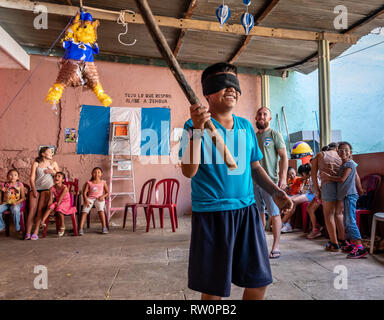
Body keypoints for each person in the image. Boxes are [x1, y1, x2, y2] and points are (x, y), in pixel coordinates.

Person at [179, 62, 293, 300]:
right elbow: (189, 171)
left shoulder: (245, 127)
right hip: (212, 214)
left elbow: (254, 166)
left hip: (247, 211)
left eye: (234, 84)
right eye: (223, 84)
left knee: (258, 282)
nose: (231, 89)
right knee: (213, 290)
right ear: (207, 93)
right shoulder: (192, 126)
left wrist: (275, 192)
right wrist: (199, 130)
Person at [253, 107, 289, 259]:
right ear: (255, 117)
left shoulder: (275, 135)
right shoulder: (253, 136)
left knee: (274, 213)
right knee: (259, 213)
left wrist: (282, 178)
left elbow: (284, 157)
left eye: (265, 114)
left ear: (269, 118)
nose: (262, 116)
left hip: (271, 182)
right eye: (259, 114)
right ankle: (261, 245)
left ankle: (276, 246)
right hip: (254, 182)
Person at [322, 142, 367, 259]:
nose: (343, 152)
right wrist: (360, 189)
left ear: (350, 153)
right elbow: (352, 176)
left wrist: (328, 177)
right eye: (341, 150)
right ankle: (352, 244)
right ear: (337, 152)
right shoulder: (344, 165)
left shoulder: (350, 164)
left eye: (346, 150)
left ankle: (360, 247)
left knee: (350, 221)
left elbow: (342, 179)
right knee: (347, 221)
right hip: (345, 196)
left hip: (350, 195)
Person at [25, 147, 60, 240]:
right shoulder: (36, 163)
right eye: (49, 152)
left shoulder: (53, 163)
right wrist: (34, 190)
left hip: (47, 189)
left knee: (40, 209)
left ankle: (35, 232)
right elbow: (32, 179)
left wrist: (52, 171)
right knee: (32, 209)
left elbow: (59, 176)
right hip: (36, 188)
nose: (51, 153)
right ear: (43, 154)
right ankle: (27, 233)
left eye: (51, 152)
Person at [39, 172, 76, 237]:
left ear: (63, 180)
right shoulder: (52, 188)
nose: (56, 177)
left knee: (59, 209)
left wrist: (55, 210)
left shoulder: (65, 188)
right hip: (58, 202)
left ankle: (62, 226)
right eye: (55, 176)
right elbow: (50, 200)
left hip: (65, 202)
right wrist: (50, 208)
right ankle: (42, 222)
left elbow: (60, 200)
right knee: (51, 206)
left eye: (59, 176)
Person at [281, 163, 315, 233]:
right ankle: (287, 224)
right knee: (290, 200)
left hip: (312, 195)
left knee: (293, 201)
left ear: (304, 174)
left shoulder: (312, 178)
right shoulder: (308, 178)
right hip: (308, 193)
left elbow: (312, 190)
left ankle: (282, 223)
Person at [79, 167, 109, 235]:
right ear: (92, 174)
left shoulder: (103, 182)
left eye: (98, 172)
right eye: (94, 172)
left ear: (101, 174)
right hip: (90, 198)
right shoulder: (89, 183)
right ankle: (80, 228)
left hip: (99, 198)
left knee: (101, 210)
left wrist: (103, 196)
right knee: (84, 211)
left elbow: (107, 192)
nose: (96, 174)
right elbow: (84, 193)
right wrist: (86, 200)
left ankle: (104, 227)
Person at [0, 169, 26, 238]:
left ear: (18, 177)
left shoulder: (20, 184)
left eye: (15, 175)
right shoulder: (4, 184)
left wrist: (16, 202)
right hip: (6, 203)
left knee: (15, 209)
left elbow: (23, 197)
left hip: (16, 203)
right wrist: (1, 189)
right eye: (11, 175)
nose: (13, 177)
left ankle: (18, 229)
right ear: (7, 176)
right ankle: (2, 226)